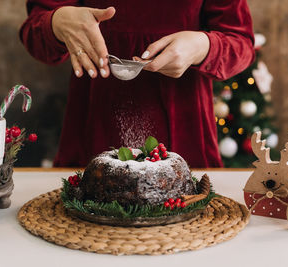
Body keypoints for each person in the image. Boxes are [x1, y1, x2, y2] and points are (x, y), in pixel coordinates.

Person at [20, 0, 255, 167]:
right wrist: (56, 22)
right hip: (92, 134)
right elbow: (34, 32)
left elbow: (241, 43)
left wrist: (204, 46)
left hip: (187, 138)